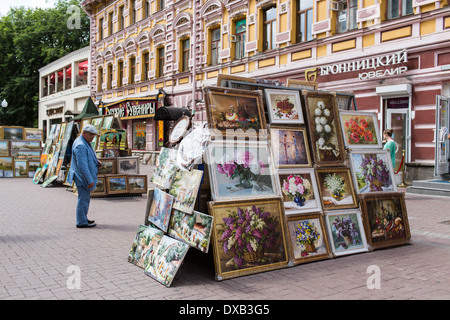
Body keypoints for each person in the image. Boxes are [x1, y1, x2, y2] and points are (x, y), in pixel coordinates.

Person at [67, 124, 102, 228]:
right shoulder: (81, 145)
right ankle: (81, 222)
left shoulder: (83, 141)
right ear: (84, 133)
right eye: (91, 135)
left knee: (84, 199)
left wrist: (96, 162)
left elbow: (89, 156)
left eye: (94, 135)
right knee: (83, 200)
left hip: (82, 177)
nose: (92, 137)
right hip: (82, 178)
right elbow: (82, 166)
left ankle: (83, 218)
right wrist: (89, 180)